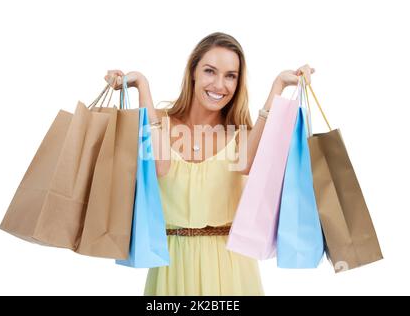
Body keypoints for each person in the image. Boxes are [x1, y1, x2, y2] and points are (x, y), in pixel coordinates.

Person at [105, 32, 314, 295]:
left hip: (232, 270)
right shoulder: (160, 123)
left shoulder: (240, 136)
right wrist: (141, 85)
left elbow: (249, 165)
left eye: (230, 75)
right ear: (193, 72)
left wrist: (278, 87)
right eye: (210, 71)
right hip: (172, 267)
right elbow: (158, 166)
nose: (219, 85)